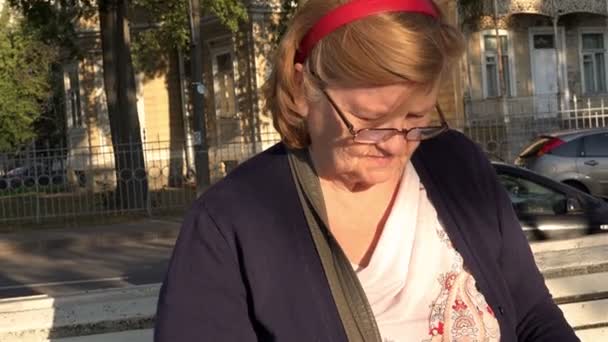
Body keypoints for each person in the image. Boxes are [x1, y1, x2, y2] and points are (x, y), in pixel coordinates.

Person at [154, 0, 579, 341]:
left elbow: (530, 314)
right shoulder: (231, 222)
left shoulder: (456, 164)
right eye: (369, 122)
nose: (396, 144)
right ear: (304, 90)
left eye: (416, 117)